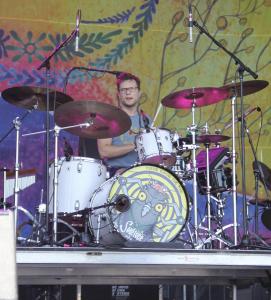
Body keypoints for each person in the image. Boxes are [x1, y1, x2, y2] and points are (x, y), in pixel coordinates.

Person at [97, 72, 150, 174]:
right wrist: (135, 145)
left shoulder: (146, 119)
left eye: (132, 89)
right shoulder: (108, 118)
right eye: (124, 90)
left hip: (143, 172)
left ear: (139, 93)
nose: (128, 93)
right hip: (116, 172)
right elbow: (103, 151)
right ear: (119, 94)